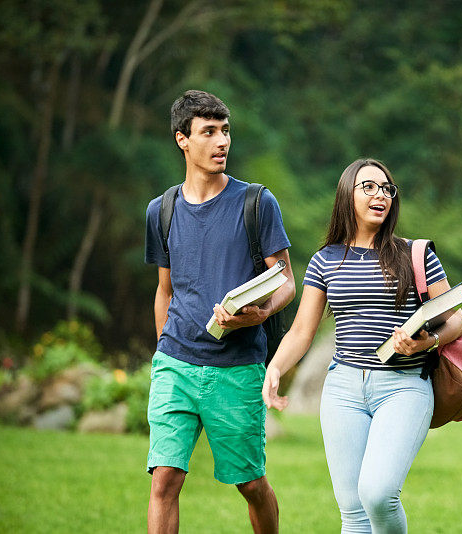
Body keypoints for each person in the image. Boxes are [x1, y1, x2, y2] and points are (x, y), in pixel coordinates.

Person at [262, 158, 462, 533]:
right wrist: (274, 368)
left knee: (378, 494)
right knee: (353, 512)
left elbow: (456, 321)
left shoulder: (415, 254)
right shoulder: (326, 260)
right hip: (343, 390)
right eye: (368, 187)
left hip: (403, 386)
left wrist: (425, 343)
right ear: (346, 196)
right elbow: (301, 332)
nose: (380, 195)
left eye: (387, 188)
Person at [144, 90, 295, 534]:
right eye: (208, 132)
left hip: (237, 368)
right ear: (182, 140)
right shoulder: (162, 210)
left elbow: (286, 280)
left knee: (251, 483)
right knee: (165, 479)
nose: (221, 141)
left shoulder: (256, 203)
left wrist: (259, 313)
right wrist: (161, 356)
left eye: (225, 131)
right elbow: (164, 291)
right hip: (175, 364)